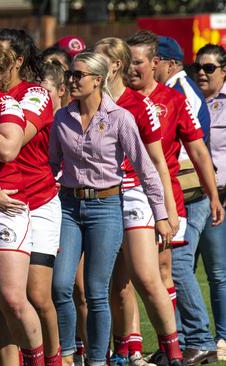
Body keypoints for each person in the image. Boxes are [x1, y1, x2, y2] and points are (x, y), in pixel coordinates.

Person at [48, 51, 171, 366]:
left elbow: (146, 169)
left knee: (96, 290)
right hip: (69, 206)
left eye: (78, 75)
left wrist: (161, 215)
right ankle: (66, 355)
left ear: (97, 80)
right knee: (61, 285)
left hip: (107, 206)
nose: (71, 80)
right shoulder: (61, 117)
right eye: (70, 74)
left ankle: (98, 360)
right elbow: (50, 166)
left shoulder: (120, 118)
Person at [125, 31, 224, 365]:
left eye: (137, 62)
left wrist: (213, 196)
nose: (131, 69)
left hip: (166, 197)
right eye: (127, 62)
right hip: (122, 198)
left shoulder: (174, 99)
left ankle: (183, 344)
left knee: (169, 270)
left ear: (155, 63)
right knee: (127, 277)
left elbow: (198, 148)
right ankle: (141, 348)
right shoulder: (118, 100)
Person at [94, 37, 181, 366]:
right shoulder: (91, 102)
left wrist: (167, 212)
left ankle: (172, 350)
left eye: (96, 62)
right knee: (115, 284)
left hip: (133, 194)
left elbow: (158, 163)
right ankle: (124, 350)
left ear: (113, 66)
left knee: (146, 276)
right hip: (101, 196)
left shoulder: (138, 104)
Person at [0, 38, 49, 366]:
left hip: (7, 206)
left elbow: (6, 149)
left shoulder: (6, 104)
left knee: (14, 300)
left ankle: (38, 360)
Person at [0, 28, 61, 366]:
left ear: (17, 61)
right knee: (2, 300)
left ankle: (53, 359)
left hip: (40, 201)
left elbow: (13, 143)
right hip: (0, 202)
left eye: (0, 57)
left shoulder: (35, 94)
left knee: (36, 294)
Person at [180, 43, 226, 362]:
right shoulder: (188, 100)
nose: (201, 73)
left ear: (224, 71)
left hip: (220, 195)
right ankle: (188, 338)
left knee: (218, 271)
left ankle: (222, 336)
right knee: (184, 266)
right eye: (198, 66)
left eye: (209, 68)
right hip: (190, 194)